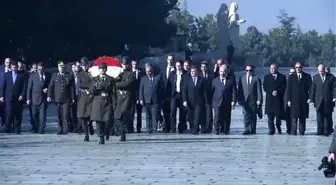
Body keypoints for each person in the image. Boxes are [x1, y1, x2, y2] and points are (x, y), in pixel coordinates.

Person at [89, 62, 116, 144]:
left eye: (104, 68)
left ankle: (107, 132)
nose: (102, 70)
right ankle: (101, 137)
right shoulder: (94, 79)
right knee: (98, 121)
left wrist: (114, 103)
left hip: (107, 101)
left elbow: (113, 92)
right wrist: (95, 86)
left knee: (107, 121)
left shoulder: (111, 79)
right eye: (101, 68)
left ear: (106, 69)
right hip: (98, 101)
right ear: (99, 70)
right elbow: (91, 91)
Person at [47, 61, 76, 135]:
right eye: (60, 67)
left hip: (66, 99)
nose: (61, 69)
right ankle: (60, 129)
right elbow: (51, 86)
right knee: (59, 115)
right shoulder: (54, 75)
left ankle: (65, 130)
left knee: (65, 115)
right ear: (58, 67)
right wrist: (49, 96)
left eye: (63, 67)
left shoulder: (69, 76)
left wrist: (73, 98)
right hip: (57, 99)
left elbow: (72, 88)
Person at [0, 61, 26, 134]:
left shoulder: (21, 76)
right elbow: (3, 86)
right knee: (9, 112)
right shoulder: (7, 75)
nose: (14, 69)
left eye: (15, 67)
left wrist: (22, 95)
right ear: (11, 68)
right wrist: (1, 96)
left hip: (18, 97)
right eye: (13, 67)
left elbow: (24, 87)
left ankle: (17, 128)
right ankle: (7, 127)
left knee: (18, 113)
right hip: (8, 97)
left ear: (17, 68)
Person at [310, 64, 336, 136]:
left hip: (328, 100)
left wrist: (334, 97)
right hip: (318, 100)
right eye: (319, 71)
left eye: (321, 71)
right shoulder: (315, 77)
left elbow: (334, 88)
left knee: (327, 116)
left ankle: (326, 131)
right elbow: (313, 89)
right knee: (319, 117)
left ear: (324, 70)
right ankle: (319, 131)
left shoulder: (331, 77)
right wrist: (311, 100)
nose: (320, 72)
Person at [114, 56, 136, 141]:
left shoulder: (132, 74)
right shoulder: (119, 74)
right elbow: (114, 83)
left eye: (126, 64)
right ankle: (121, 132)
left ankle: (123, 133)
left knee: (123, 116)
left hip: (127, 97)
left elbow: (127, 84)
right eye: (123, 64)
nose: (125, 66)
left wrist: (118, 84)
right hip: (119, 97)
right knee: (117, 116)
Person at [286, 62, 312, 135]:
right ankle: (293, 132)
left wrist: (310, 98)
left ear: (302, 67)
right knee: (294, 118)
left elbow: (311, 88)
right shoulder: (291, 77)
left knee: (302, 118)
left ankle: (302, 132)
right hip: (294, 100)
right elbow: (288, 89)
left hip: (304, 100)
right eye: (296, 67)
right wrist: (288, 100)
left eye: (299, 67)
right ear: (295, 68)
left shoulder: (307, 76)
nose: (298, 69)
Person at [237, 64, 262, 135]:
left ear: (253, 71)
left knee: (253, 116)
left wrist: (259, 100)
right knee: (246, 115)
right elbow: (240, 90)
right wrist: (239, 99)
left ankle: (253, 129)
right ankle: (247, 129)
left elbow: (259, 90)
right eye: (247, 70)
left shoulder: (256, 78)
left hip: (253, 100)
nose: (248, 72)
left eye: (250, 70)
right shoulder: (242, 78)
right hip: (244, 100)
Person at [26, 62, 51, 134]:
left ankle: (41, 130)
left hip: (43, 99)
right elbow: (29, 88)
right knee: (34, 115)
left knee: (42, 115)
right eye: (39, 69)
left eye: (42, 69)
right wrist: (28, 99)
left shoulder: (48, 75)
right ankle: (35, 128)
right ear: (37, 69)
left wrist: (48, 90)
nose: (40, 70)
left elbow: (50, 86)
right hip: (34, 99)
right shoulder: (33, 76)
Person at [212, 65, 237, 135]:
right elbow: (211, 91)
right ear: (219, 72)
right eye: (221, 71)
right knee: (217, 116)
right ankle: (216, 130)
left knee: (227, 117)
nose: (222, 73)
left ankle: (226, 130)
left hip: (227, 102)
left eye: (224, 71)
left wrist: (233, 101)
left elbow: (234, 92)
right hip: (217, 102)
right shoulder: (215, 81)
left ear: (227, 72)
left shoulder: (230, 81)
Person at [182, 66, 207, 134]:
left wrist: (206, 102)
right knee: (191, 116)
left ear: (197, 72)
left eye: (194, 71)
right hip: (190, 102)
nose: (193, 73)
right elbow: (184, 91)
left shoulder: (202, 80)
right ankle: (193, 128)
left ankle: (195, 130)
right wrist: (184, 100)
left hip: (199, 102)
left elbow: (204, 91)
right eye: (192, 71)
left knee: (197, 116)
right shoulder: (187, 80)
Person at [263, 63, 286, 135]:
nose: (272, 70)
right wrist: (271, 91)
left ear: (276, 68)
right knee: (270, 116)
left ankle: (278, 126)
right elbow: (265, 87)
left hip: (278, 99)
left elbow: (284, 87)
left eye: (273, 68)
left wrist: (277, 91)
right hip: (270, 99)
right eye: (271, 68)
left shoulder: (282, 77)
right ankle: (271, 130)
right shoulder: (266, 77)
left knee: (278, 116)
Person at [139, 64, 162, 133]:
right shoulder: (143, 79)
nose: (148, 73)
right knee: (148, 116)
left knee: (154, 115)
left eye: (149, 71)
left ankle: (154, 128)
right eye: (147, 71)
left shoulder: (157, 78)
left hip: (155, 100)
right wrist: (141, 99)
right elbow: (141, 90)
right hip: (146, 100)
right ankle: (149, 129)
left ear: (152, 71)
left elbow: (160, 90)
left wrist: (161, 99)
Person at [77, 58, 95, 141]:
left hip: (91, 96)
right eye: (83, 65)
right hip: (83, 97)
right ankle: (86, 134)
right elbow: (80, 85)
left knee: (90, 115)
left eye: (85, 65)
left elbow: (93, 83)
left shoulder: (91, 73)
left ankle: (90, 125)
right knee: (83, 116)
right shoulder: (79, 74)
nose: (84, 67)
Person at [169, 60, 188, 133]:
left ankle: (181, 128)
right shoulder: (172, 74)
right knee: (173, 111)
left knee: (182, 112)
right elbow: (169, 85)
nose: (178, 67)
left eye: (179, 66)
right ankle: (173, 128)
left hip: (182, 95)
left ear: (182, 66)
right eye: (177, 66)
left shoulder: (186, 74)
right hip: (174, 95)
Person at [200, 61, 215, 133]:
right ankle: (203, 127)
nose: (204, 68)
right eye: (202, 67)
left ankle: (209, 127)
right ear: (200, 68)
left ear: (207, 67)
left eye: (205, 67)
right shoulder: (199, 76)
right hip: (201, 98)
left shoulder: (211, 76)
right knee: (202, 113)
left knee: (209, 114)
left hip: (209, 98)